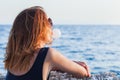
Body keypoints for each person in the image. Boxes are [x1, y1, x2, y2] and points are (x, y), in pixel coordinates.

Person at [4, 6, 91, 80]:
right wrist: (66, 64)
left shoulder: (13, 59)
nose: (50, 25)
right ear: (40, 30)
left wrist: (57, 65)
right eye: (48, 22)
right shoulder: (48, 54)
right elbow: (84, 73)